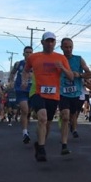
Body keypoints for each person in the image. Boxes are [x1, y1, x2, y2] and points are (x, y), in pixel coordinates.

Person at [22, 32, 73, 162]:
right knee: (42, 118)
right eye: (47, 41)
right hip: (37, 92)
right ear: (42, 42)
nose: (50, 44)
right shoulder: (34, 57)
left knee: (47, 124)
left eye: (52, 41)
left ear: (55, 43)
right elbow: (26, 70)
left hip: (53, 95)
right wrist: (24, 80)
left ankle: (39, 144)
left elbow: (71, 76)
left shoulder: (61, 58)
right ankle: (42, 149)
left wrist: (63, 68)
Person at [59, 37, 91, 154]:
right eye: (66, 47)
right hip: (62, 93)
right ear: (61, 47)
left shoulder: (78, 59)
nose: (68, 49)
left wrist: (79, 74)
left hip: (76, 94)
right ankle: (64, 144)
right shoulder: (58, 59)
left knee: (73, 116)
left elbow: (89, 74)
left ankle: (71, 129)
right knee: (65, 116)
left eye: (70, 47)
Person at [9, 46, 34, 144]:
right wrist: (11, 81)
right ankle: (24, 133)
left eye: (30, 52)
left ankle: (26, 127)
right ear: (23, 53)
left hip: (32, 90)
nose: (28, 54)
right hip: (21, 89)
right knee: (24, 109)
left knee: (29, 112)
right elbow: (12, 73)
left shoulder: (35, 64)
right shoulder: (18, 64)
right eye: (27, 52)